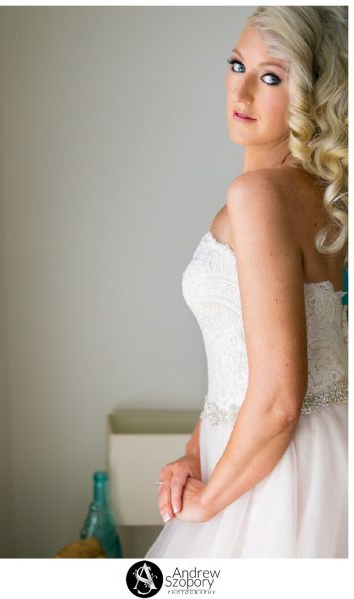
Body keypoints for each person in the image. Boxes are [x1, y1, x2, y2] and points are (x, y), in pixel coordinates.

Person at [144, 5, 348, 558]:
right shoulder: (321, 200)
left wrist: (210, 503)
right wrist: (194, 450)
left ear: (314, 94)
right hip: (309, 454)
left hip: (273, 472)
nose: (243, 94)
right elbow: (244, 360)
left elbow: (281, 397)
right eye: (237, 66)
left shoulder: (257, 198)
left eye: (272, 77)